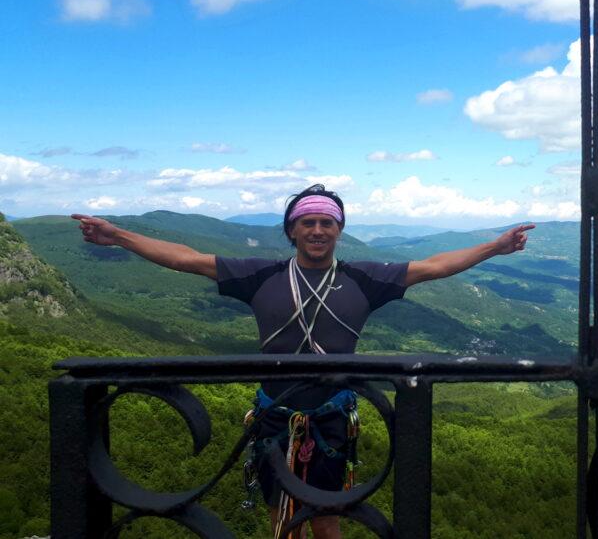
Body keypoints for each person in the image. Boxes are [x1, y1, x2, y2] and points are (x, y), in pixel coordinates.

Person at [71, 183, 534, 539]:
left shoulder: (364, 278)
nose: (317, 230)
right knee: (281, 518)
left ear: (339, 230)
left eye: (326, 223)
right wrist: (119, 237)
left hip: (331, 419)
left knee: (328, 523)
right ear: (292, 229)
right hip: (275, 417)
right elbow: (186, 259)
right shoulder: (261, 275)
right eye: (307, 222)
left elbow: (433, 266)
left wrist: (494, 247)